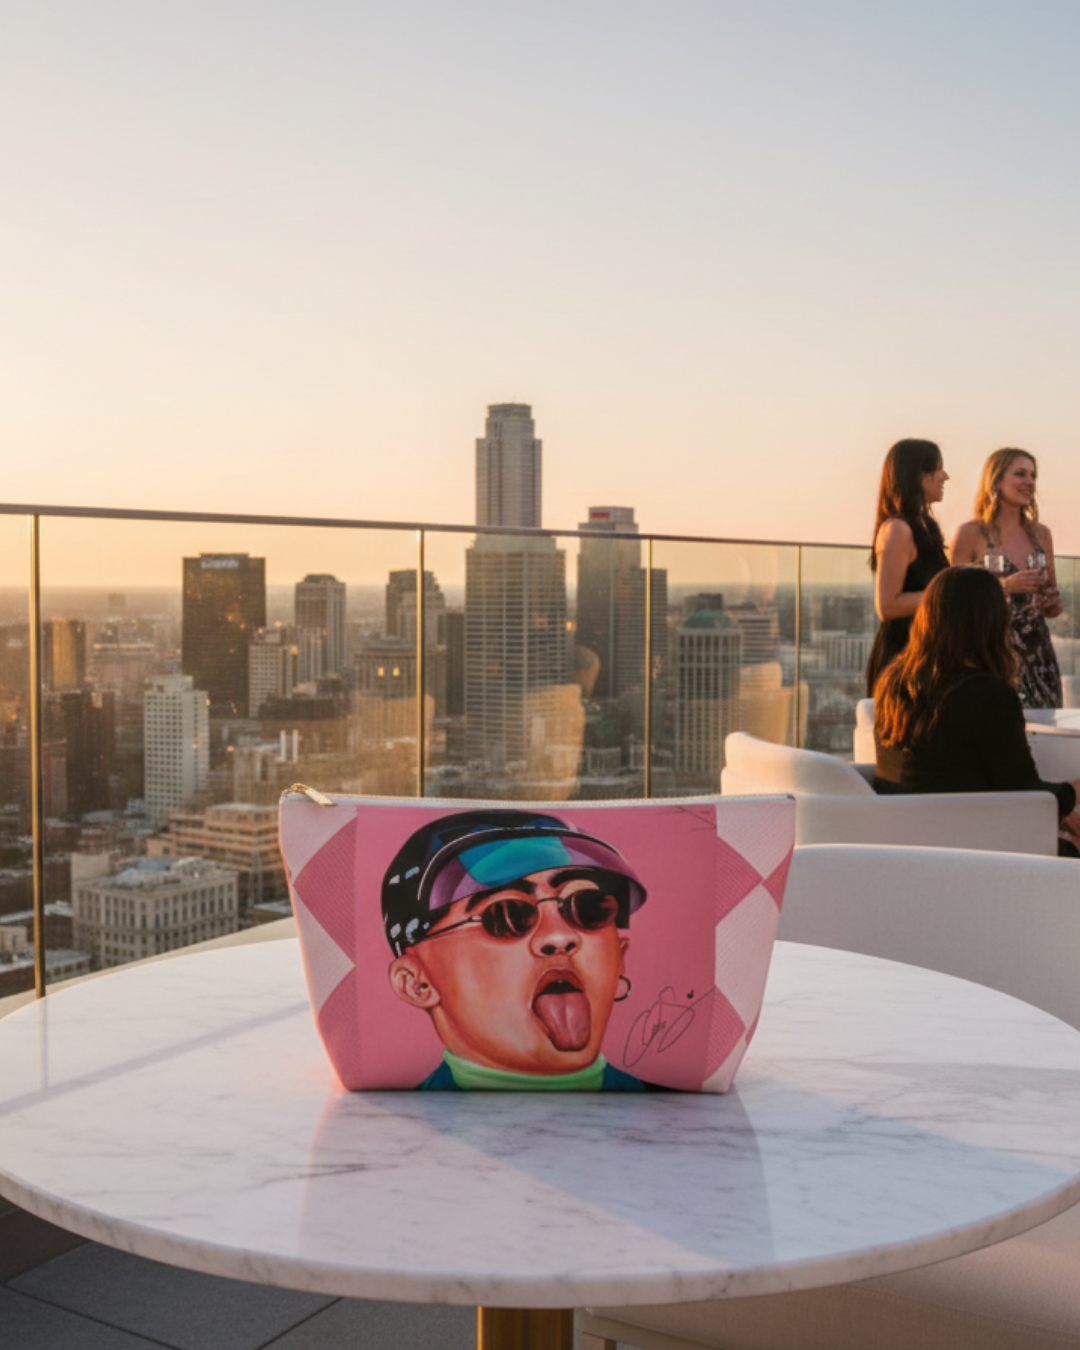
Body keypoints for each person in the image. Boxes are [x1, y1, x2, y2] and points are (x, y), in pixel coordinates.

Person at [382, 809, 651, 1090]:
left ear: (620, 957)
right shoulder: (402, 1116)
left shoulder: (665, 1105)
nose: (560, 936)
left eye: (590, 908)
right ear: (417, 983)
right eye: (505, 914)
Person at [874, 567, 1080, 854]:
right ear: (991, 622)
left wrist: (1058, 809)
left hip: (904, 845)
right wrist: (1072, 793)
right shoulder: (986, 695)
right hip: (977, 852)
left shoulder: (893, 683)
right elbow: (1026, 796)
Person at [950, 448, 1063, 708]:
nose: (1030, 482)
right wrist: (1004, 586)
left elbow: (1052, 606)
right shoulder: (971, 533)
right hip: (990, 654)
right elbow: (951, 601)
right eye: (1020, 474)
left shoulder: (1041, 534)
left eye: (1033, 476)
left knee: (1045, 728)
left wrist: (1052, 604)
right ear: (996, 480)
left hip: (1039, 657)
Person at [865, 438, 950, 698]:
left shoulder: (925, 527)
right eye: (938, 469)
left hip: (923, 655)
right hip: (903, 660)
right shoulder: (898, 530)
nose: (945, 476)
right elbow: (887, 606)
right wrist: (949, 593)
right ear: (917, 476)